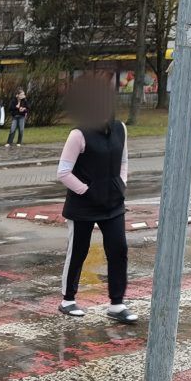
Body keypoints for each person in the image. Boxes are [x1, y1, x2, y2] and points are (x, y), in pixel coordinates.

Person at [56, 78, 137, 324]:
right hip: (83, 205)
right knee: (78, 251)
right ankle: (67, 300)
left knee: (118, 249)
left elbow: (123, 161)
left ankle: (116, 304)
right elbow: (63, 172)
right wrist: (86, 190)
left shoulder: (120, 129)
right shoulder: (79, 134)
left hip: (113, 203)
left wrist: (120, 183)